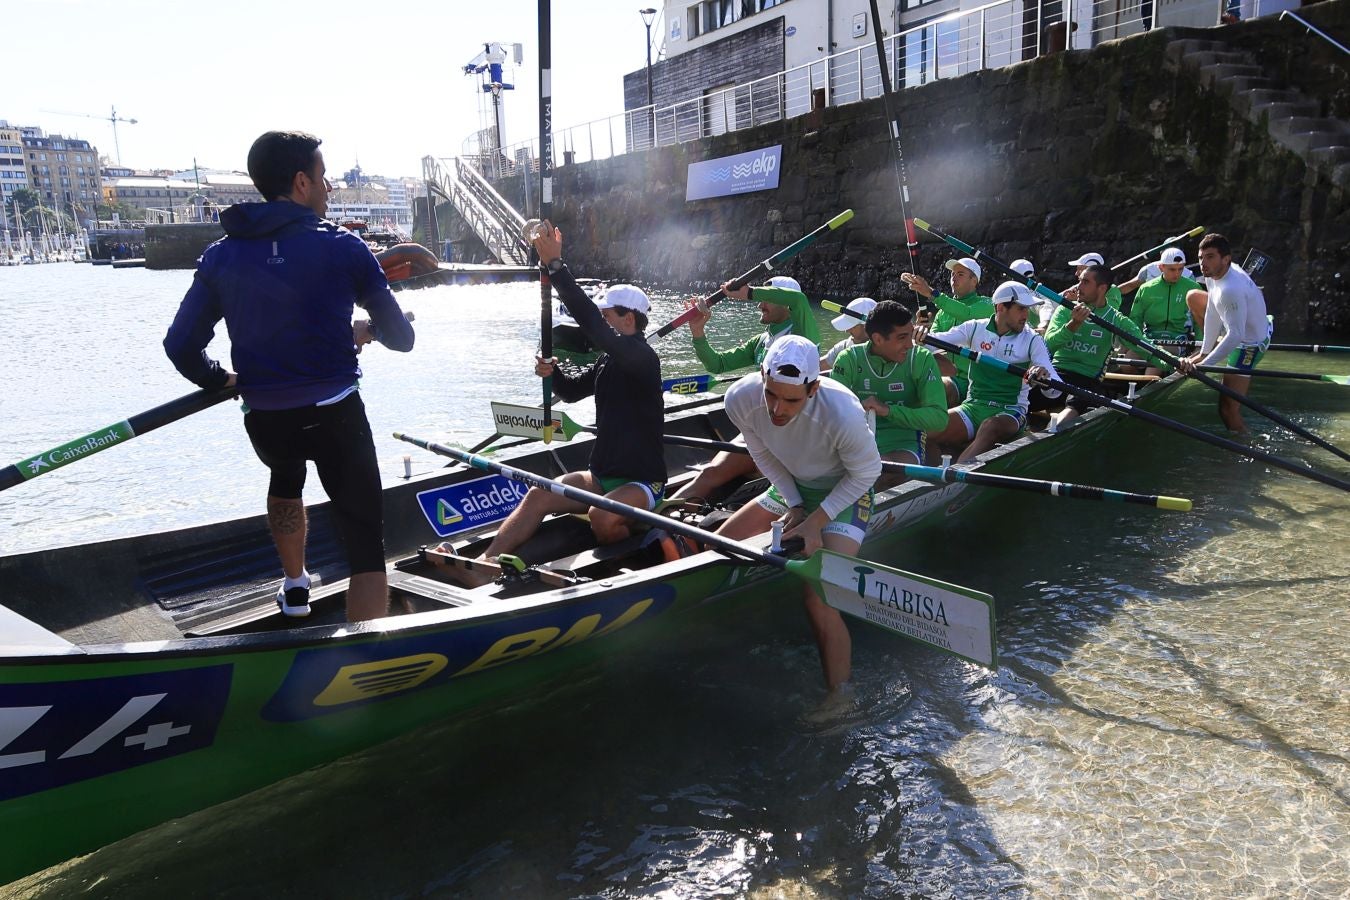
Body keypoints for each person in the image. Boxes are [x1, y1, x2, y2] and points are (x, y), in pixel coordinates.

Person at [163, 130, 415, 622]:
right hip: (334, 415)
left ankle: (296, 588)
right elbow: (401, 338)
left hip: (266, 418)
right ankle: (366, 658)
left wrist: (221, 379)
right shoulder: (345, 247)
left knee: (286, 476)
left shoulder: (221, 255)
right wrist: (370, 330)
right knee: (364, 541)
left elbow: (180, 346)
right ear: (301, 182)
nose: (329, 189)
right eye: (324, 179)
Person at [476, 221, 666, 565]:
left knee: (602, 517)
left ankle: (635, 558)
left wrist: (556, 267)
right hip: (600, 476)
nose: (599, 322)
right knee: (538, 495)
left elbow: (590, 322)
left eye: (606, 315)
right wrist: (553, 371)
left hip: (642, 482)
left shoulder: (641, 358)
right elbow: (573, 392)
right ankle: (485, 565)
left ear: (629, 320)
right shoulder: (611, 359)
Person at [718, 335, 882, 691]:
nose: (777, 409)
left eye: (791, 400)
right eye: (771, 394)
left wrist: (817, 522)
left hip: (846, 491)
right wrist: (795, 504)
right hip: (790, 483)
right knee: (722, 548)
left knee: (819, 597)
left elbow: (867, 474)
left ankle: (840, 699)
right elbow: (761, 454)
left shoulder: (842, 414)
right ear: (762, 375)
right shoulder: (739, 399)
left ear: (814, 387)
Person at [672, 274, 821, 505]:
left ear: (785, 304)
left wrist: (749, 292)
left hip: (798, 435)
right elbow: (717, 365)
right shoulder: (761, 341)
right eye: (760, 298)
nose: (760, 304)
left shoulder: (803, 333)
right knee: (709, 474)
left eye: (767, 299)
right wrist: (698, 332)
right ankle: (658, 521)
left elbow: (800, 300)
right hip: (762, 429)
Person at [924, 281, 1058, 462]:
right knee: (925, 432)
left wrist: (1044, 377)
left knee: (990, 426)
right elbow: (933, 343)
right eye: (1021, 309)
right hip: (974, 406)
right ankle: (931, 480)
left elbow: (1055, 390)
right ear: (1001, 307)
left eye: (1027, 309)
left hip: (1010, 411)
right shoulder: (974, 328)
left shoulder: (1032, 340)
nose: (1026, 315)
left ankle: (953, 478)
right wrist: (918, 335)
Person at [828, 301, 947, 489]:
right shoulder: (848, 359)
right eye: (902, 338)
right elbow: (832, 416)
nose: (910, 344)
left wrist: (888, 411)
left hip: (903, 445)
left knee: (873, 473)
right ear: (877, 339)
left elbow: (939, 419)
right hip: (855, 443)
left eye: (910, 335)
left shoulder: (921, 359)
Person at [1177, 233, 1271, 432]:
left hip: (1250, 345)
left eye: (1210, 257)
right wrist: (1205, 351)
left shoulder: (1231, 289)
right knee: (1194, 296)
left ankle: (1245, 451)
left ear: (1226, 259)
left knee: (1227, 410)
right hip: (1242, 327)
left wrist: (1205, 365)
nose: (1203, 263)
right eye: (1201, 257)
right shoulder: (1213, 274)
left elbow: (1236, 335)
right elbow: (1212, 309)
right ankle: (1212, 349)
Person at [1036, 264, 1144, 428]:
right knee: (1022, 393)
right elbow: (1048, 346)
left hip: (1087, 379)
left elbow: (1146, 347)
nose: (1078, 287)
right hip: (1055, 374)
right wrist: (1073, 324)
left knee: (1079, 400)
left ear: (1101, 289)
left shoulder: (1116, 319)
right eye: (1079, 281)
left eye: (1085, 282)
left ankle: (1051, 433)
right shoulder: (1066, 310)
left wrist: (1177, 362)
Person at [901, 257, 993, 405]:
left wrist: (931, 293)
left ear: (974, 280)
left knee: (938, 389)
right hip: (952, 376)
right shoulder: (942, 313)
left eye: (960, 274)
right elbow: (932, 348)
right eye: (952, 274)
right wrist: (921, 333)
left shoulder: (988, 304)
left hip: (979, 381)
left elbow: (966, 313)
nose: (954, 278)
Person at [1127, 247, 1206, 372]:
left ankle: (1145, 386)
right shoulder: (1146, 288)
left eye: (1181, 269)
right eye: (1172, 269)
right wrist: (1136, 340)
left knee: (1152, 370)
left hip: (1177, 340)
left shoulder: (1193, 288)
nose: (1177, 273)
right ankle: (1134, 388)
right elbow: (1135, 319)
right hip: (1149, 339)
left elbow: (1199, 321)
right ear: (1161, 267)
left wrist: (1200, 346)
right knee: (1126, 364)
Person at [822, 296, 877, 371]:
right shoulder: (844, 347)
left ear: (867, 326)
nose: (847, 330)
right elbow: (818, 366)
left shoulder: (889, 350)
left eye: (852, 326)